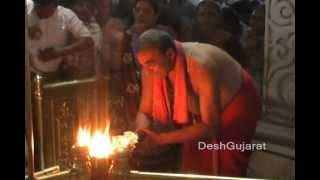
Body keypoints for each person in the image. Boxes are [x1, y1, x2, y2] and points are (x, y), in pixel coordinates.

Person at [134, 29, 261, 177]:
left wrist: (161, 139)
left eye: (151, 64)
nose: (147, 71)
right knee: (194, 161)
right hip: (201, 111)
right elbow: (145, 111)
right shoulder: (149, 68)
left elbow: (210, 126)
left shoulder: (200, 64)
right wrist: (137, 136)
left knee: (226, 163)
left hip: (237, 101)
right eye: (143, 65)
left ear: (169, 54)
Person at [27, 0, 94, 83]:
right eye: (37, 9)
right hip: (28, 72)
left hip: (53, 75)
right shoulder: (28, 7)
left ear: (54, 4)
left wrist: (58, 52)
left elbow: (88, 40)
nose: (40, 15)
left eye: (45, 12)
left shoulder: (66, 16)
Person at [192, 0, 248, 70]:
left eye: (211, 14)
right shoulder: (192, 38)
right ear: (197, 18)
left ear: (219, 18)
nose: (206, 19)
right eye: (202, 14)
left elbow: (240, 68)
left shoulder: (230, 41)